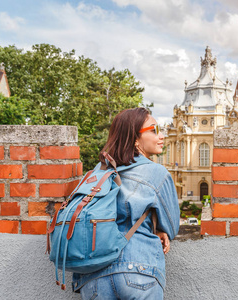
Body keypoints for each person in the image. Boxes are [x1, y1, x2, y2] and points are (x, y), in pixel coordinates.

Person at [72, 107, 180, 299]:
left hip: (93, 276)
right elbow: (171, 226)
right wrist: (160, 229)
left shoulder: (97, 172)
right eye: (154, 130)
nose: (161, 135)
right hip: (139, 269)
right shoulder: (157, 172)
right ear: (135, 138)